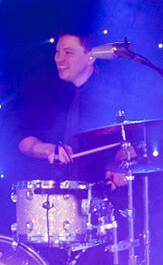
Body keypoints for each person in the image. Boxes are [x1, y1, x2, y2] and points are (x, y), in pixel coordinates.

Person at [15, 32, 137, 189]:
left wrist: (121, 165)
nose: (59, 58)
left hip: (101, 193)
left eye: (68, 52)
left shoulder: (112, 96)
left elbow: (129, 144)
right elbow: (24, 142)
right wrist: (48, 149)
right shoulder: (46, 93)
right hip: (55, 195)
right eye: (57, 52)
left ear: (90, 57)